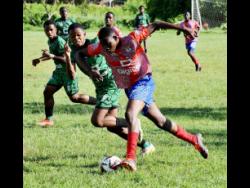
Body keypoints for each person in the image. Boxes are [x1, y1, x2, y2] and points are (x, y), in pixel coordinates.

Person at [75, 20, 208, 172]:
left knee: (131, 113)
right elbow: (79, 54)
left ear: (117, 38)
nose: (107, 49)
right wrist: (90, 71)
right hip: (130, 88)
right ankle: (194, 139)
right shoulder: (100, 47)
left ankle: (131, 158)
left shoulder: (132, 39)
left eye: (108, 44)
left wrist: (181, 28)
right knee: (161, 121)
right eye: (103, 46)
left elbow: (156, 24)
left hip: (143, 82)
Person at [65, 23, 155, 155]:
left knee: (97, 120)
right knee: (112, 127)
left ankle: (132, 122)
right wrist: (67, 57)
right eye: (72, 37)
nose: (76, 38)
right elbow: (71, 75)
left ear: (84, 34)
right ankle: (146, 145)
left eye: (79, 35)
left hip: (110, 85)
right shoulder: (74, 52)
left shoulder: (97, 43)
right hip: (101, 89)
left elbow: (114, 41)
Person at [32, 20, 96, 127]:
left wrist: (52, 56)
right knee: (47, 92)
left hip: (67, 71)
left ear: (56, 30)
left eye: (51, 30)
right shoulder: (50, 41)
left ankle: (100, 103)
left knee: (74, 98)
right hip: (58, 73)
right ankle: (49, 119)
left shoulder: (60, 41)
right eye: (46, 30)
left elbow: (66, 59)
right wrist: (39, 59)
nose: (49, 32)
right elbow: (53, 54)